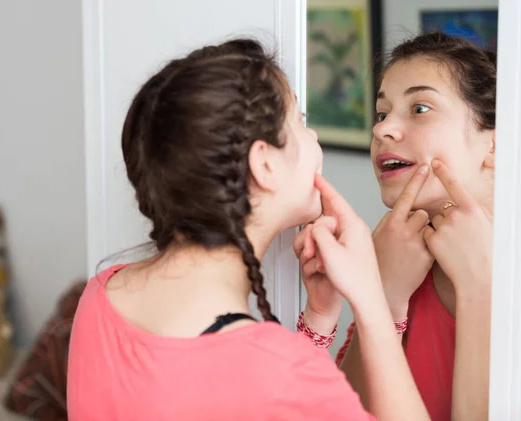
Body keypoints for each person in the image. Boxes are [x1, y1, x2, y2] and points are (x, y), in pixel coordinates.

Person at [67, 38, 430, 420]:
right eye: (301, 122)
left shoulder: (102, 294)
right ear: (265, 165)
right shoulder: (276, 371)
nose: (314, 137)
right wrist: (374, 298)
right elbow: (272, 387)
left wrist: (320, 317)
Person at [296, 32, 495, 421]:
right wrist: (383, 295)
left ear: (494, 146)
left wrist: (479, 289)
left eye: (420, 108)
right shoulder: (394, 256)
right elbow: (351, 413)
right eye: (382, 113)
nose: (381, 130)